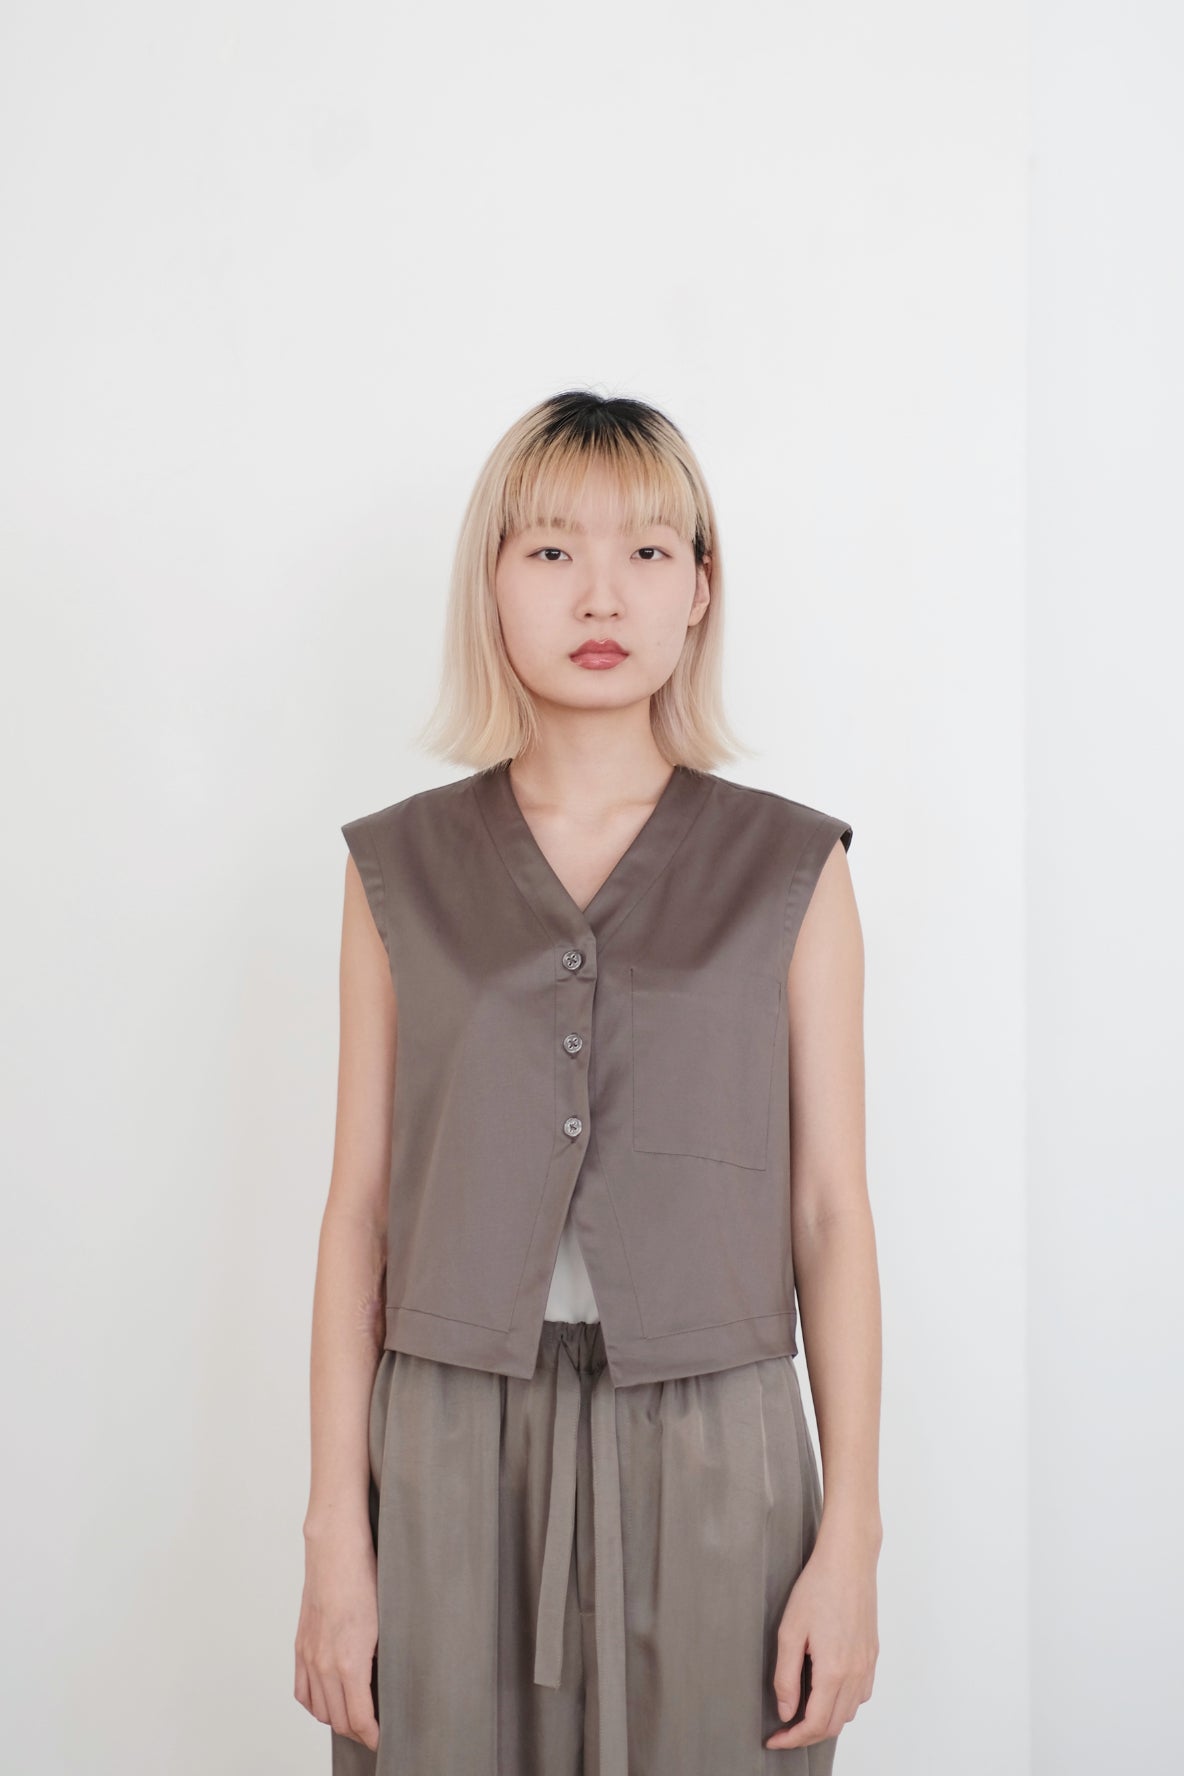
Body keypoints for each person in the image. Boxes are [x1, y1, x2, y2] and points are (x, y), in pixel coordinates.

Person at [295, 389, 882, 1774]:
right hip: (445, 1445)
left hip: (719, 1443)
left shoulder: (794, 869)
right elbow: (359, 1211)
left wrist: (851, 1535)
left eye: (649, 552)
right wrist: (333, 1533)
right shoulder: (396, 870)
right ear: (492, 582)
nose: (601, 594)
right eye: (553, 549)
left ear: (700, 589)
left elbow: (829, 1214)